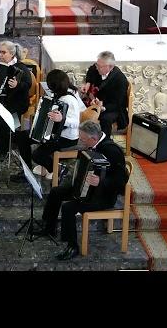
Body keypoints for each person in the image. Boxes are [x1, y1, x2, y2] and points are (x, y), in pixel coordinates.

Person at [39, 120, 127, 260]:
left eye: (83, 139)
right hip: (85, 189)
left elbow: (122, 181)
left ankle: (72, 246)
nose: (81, 141)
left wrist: (102, 181)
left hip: (103, 197)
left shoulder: (112, 150)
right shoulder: (91, 145)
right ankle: (49, 228)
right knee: (56, 192)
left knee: (69, 208)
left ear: (94, 138)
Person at [22, 69, 83, 180]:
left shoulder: (69, 99)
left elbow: (76, 123)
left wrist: (62, 119)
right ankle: (27, 169)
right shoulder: (59, 94)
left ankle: (58, 169)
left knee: (37, 155)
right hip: (53, 132)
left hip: (66, 138)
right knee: (23, 137)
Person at [80, 50, 128, 137]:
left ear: (110, 67)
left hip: (112, 107)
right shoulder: (97, 68)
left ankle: (104, 143)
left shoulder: (121, 80)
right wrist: (88, 83)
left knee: (105, 119)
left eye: (99, 66)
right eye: (97, 65)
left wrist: (103, 107)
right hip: (98, 102)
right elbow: (91, 70)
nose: (97, 68)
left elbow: (119, 103)